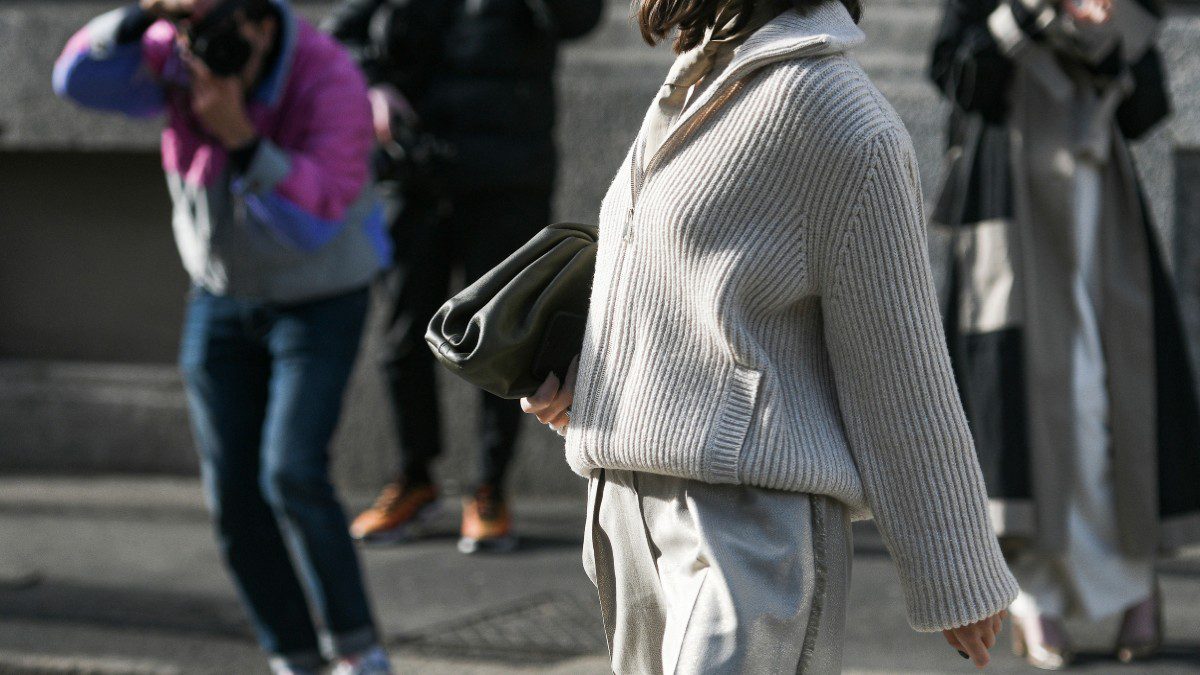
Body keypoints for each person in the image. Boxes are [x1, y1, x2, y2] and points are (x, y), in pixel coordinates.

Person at [521, 0, 1021, 670]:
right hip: (629, 513)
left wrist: (956, 569)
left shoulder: (836, 112)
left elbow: (900, 365)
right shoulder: (701, 76)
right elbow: (684, 290)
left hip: (747, 528)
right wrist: (593, 387)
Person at [53, 1, 393, 673]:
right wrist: (140, 15)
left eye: (221, 29)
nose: (201, 46)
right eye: (188, 27)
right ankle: (294, 654)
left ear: (266, 23)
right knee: (233, 496)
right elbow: (75, 83)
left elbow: (313, 224)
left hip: (319, 297)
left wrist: (242, 140)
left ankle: (358, 652)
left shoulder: (329, 78)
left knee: (291, 472)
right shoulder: (174, 56)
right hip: (220, 294)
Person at [928, 0, 1200, 667]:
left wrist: (1106, 33)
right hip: (1014, 208)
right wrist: (1030, 12)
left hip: (1100, 212)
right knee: (1033, 391)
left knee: (1109, 390)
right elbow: (958, 77)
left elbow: (1147, 113)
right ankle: (1033, 592)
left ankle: (1132, 581)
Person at [323, 0, 604, 552]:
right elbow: (337, 37)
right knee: (403, 338)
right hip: (413, 173)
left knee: (506, 335)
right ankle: (414, 479)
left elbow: (579, 18)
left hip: (506, 180)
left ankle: (490, 489)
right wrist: (372, 83)